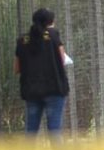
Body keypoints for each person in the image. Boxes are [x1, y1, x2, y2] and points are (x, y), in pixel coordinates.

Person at [14, 8, 69, 137]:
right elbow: (62, 60)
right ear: (50, 22)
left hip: (31, 91)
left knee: (31, 131)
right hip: (54, 89)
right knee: (54, 129)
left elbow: (16, 68)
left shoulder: (22, 40)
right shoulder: (53, 35)